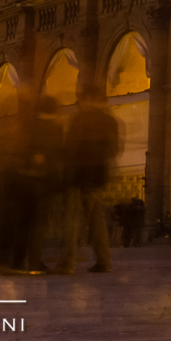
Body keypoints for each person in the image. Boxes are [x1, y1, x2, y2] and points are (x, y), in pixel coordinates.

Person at [56, 98, 121, 273]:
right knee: (96, 219)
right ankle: (104, 261)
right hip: (97, 176)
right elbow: (114, 149)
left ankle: (67, 262)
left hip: (77, 176)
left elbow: (70, 147)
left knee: (71, 219)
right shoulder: (110, 121)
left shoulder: (80, 119)